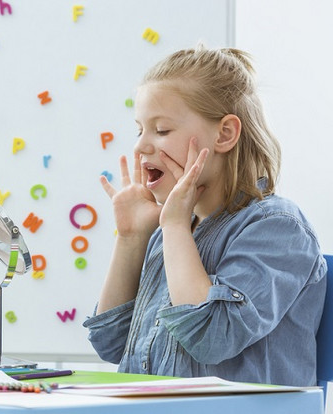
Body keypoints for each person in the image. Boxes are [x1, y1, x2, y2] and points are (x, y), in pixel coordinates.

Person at [83, 45, 327, 386]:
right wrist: (131, 238)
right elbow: (112, 344)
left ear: (224, 134)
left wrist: (174, 227)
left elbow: (211, 337)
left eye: (162, 130)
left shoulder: (278, 228)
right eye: (140, 130)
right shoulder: (173, 230)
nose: (140, 147)